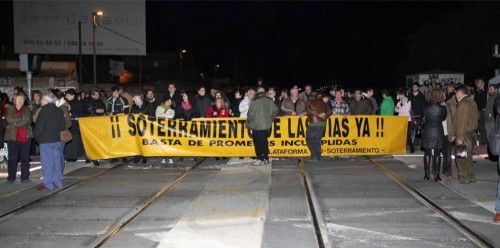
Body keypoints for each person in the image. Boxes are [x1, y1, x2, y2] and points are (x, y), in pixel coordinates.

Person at [34, 92, 66, 191]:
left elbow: (39, 127)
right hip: (56, 140)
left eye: (42, 99)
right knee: (56, 161)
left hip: (45, 140)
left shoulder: (44, 111)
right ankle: (58, 182)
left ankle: (48, 184)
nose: (41, 101)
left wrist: (37, 137)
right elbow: (63, 126)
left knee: (47, 162)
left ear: (47, 100)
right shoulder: (59, 110)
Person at [452, 85, 479, 184]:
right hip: (471, 133)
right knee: (469, 157)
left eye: (456, 93)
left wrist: (459, 138)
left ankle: (464, 177)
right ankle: (471, 176)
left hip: (464, 134)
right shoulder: (472, 102)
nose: (455, 96)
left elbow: (461, 122)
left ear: (460, 93)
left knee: (461, 157)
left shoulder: (463, 104)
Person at [5, 92, 32, 184]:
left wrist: (16, 122)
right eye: (18, 99)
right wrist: (21, 119)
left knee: (25, 158)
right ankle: (11, 177)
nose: (20, 101)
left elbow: (28, 120)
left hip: (25, 137)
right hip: (13, 137)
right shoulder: (9, 108)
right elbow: (8, 119)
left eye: (22, 99)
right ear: (14, 100)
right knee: (12, 159)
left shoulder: (27, 109)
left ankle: (25, 177)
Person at [421, 88, 447, 181]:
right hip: (438, 131)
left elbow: (423, 120)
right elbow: (443, 118)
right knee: (437, 154)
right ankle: (437, 175)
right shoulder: (443, 108)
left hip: (428, 131)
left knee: (427, 153)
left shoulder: (425, 107)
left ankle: (427, 175)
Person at [247, 90, 278, 165]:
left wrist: (248, 124)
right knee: (264, 142)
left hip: (256, 126)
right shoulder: (269, 101)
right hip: (266, 125)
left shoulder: (254, 101)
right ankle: (266, 158)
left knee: (257, 143)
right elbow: (276, 111)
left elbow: (250, 114)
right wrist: (270, 120)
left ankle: (259, 159)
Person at [305, 94, 331, 162]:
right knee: (317, 140)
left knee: (309, 139)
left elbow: (309, 111)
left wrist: (317, 114)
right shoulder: (324, 103)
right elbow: (330, 112)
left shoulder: (309, 101)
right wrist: (324, 114)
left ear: (311, 96)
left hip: (313, 123)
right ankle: (318, 157)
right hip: (322, 123)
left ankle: (314, 156)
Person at [64, 89, 84, 162]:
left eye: (68, 95)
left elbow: (81, 114)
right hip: (68, 124)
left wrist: (72, 114)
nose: (66, 97)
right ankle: (68, 155)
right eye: (66, 95)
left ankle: (73, 156)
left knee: (74, 140)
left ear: (73, 95)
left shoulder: (78, 103)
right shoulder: (66, 103)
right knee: (68, 139)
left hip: (75, 124)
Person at [156, 96, 175, 164]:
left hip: (169, 128)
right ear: (165, 101)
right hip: (161, 127)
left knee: (169, 142)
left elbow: (171, 116)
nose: (169, 103)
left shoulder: (172, 109)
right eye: (168, 101)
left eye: (170, 102)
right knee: (162, 142)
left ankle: (170, 157)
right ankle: (163, 157)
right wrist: (166, 115)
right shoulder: (159, 107)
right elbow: (157, 115)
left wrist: (163, 115)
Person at [130, 94, 148, 164]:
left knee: (144, 142)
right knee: (137, 142)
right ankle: (137, 157)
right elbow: (130, 115)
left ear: (140, 99)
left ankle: (144, 157)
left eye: (136, 99)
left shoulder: (147, 105)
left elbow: (150, 114)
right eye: (135, 100)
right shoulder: (134, 106)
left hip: (145, 127)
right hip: (136, 127)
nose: (135, 101)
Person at [444, 92, 458, 178]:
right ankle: (448, 171)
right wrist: (452, 134)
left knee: (446, 152)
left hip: (446, 132)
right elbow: (449, 121)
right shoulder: (450, 106)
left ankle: (446, 170)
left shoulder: (448, 105)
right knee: (448, 152)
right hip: (449, 132)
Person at [409, 83, 426, 149]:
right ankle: (412, 145)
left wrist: (423, 116)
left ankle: (421, 145)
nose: (414, 88)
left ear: (418, 88)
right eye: (413, 87)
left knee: (419, 131)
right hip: (411, 116)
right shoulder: (409, 96)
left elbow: (424, 107)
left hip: (419, 116)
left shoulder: (421, 96)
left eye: (415, 87)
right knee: (411, 131)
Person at [485, 84, 498, 156]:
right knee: (489, 138)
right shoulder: (490, 97)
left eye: (491, 89)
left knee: (494, 138)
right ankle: (491, 154)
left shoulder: (497, 97)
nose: (489, 91)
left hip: (493, 121)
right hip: (487, 121)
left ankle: (495, 153)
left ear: (495, 90)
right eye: (489, 90)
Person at [475, 79, 488, 145]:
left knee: (482, 127)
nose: (478, 84)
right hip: (476, 112)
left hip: (483, 112)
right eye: (477, 83)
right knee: (475, 127)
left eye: (479, 83)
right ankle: (476, 142)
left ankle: (484, 142)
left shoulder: (486, 93)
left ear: (483, 84)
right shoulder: (475, 93)